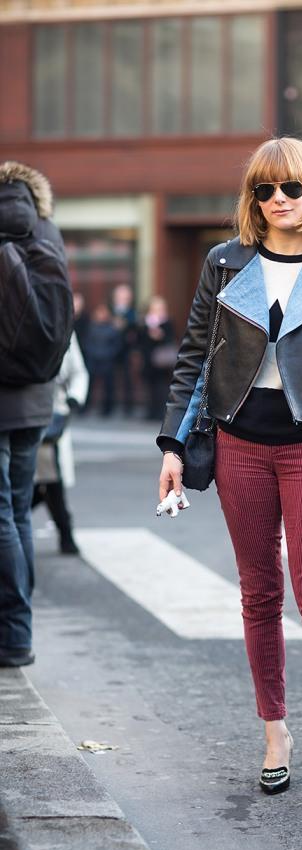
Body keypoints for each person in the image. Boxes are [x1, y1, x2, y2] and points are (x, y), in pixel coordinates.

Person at [156, 136, 302, 806]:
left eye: (289, 188)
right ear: (251, 198)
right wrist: (174, 446)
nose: (277, 201)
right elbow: (194, 360)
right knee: (259, 595)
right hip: (238, 446)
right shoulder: (224, 262)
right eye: (263, 190)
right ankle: (275, 734)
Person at [0, 161, 72, 667]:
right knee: (18, 509)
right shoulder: (47, 229)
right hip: (37, 395)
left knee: (2, 512)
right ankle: (20, 632)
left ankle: (12, 633)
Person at [32, 333, 88, 555]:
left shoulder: (64, 327)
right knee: (40, 481)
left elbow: (78, 371)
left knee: (50, 480)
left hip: (54, 416)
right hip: (23, 412)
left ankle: (66, 535)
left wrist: (74, 398)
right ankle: (66, 535)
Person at [140, 296, 176, 421]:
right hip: (149, 360)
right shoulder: (145, 321)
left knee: (161, 388)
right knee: (150, 387)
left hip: (162, 362)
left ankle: (161, 411)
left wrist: (160, 336)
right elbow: (140, 339)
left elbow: (170, 339)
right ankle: (151, 411)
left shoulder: (167, 322)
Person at [83, 304, 120, 416]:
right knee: (89, 385)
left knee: (108, 386)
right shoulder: (91, 327)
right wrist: (93, 352)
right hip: (93, 359)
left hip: (107, 360)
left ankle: (107, 409)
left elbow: (117, 344)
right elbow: (87, 342)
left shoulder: (111, 328)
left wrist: (108, 354)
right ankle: (85, 407)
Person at [111, 283, 138, 416]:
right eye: (119, 296)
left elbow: (134, 331)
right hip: (110, 349)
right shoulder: (110, 310)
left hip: (126, 350)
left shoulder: (132, 313)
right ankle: (109, 405)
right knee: (109, 378)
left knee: (128, 380)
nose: (122, 298)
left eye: (124, 296)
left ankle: (128, 407)